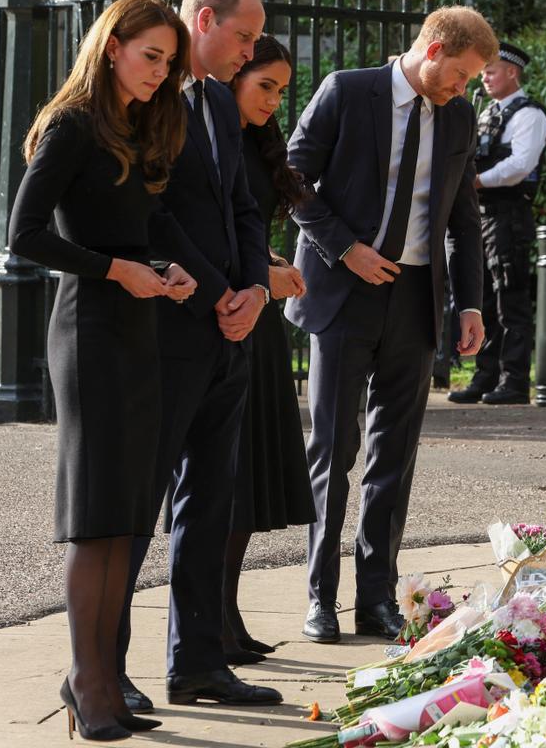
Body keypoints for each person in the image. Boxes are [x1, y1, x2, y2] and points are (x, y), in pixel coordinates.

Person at [8, 0, 203, 740]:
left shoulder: (136, 127)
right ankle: (88, 683)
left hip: (136, 325)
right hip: (89, 332)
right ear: (113, 45)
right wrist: (116, 269)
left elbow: (139, 229)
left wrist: (162, 267)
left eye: (169, 62)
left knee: (126, 516)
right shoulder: (71, 125)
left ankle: (99, 678)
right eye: (150, 56)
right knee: (96, 519)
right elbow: (26, 234)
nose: (160, 73)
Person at [286, 7, 497, 643]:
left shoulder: (458, 115)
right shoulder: (348, 91)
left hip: (414, 299)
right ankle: (320, 596)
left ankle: (375, 597)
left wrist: (470, 304)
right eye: (460, 75)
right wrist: (343, 247)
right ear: (432, 50)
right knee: (333, 448)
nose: (464, 89)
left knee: (394, 455)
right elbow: (291, 177)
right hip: (343, 291)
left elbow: (462, 215)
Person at [116, 0, 281, 711]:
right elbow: (153, 213)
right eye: (243, 38)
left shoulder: (218, 99)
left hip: (230, 331)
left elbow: (243, 205)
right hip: (169, 330)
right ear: (205, 19)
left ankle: (198, 664)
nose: (250, 53)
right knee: (135, 506)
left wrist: (255, 289)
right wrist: (221, 293)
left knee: (210, 502)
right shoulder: (154, 96)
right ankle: (102, 665)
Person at [220, 35, 316, 665]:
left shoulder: (255, 140)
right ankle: (207, 624)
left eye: (282, 90)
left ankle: (223, 617)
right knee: (221, 488)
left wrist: (269, 267)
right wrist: (260, 275)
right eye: (265, 86)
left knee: (248, 487)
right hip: (226, 320)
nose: (275, 101)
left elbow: (244, 228)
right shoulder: (210, 137)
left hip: (259, 323)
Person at [447, 42, 546, 406]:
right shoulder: (486, 111)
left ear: (512, 72)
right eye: (484, 71)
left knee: (512, 299)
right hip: (481, 216)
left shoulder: (529, 114)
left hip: (509, 217)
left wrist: (475, 181)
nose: (485, 77)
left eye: (492, 70)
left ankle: (515, 380)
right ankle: (485, 377)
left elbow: (521, 165)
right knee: (483, 299)